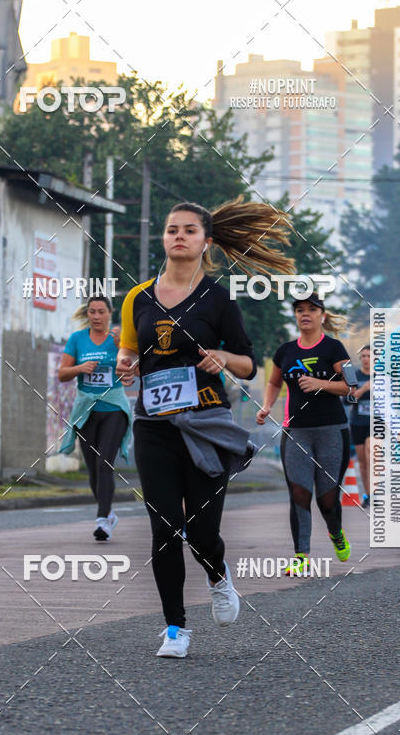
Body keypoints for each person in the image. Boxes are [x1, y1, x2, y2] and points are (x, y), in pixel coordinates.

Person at [116, 198, 293, 658]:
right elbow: (130, 352)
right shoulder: (138, 297)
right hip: (154, 424)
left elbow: (249, 363)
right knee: (164, 527)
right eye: (172, 229)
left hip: (207, 424)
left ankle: (218, 576)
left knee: (200, 531)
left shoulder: (217, 298)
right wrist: (126, 366)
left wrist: (223, 359)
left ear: (205, 242)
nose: (179, 236)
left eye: (189, 230)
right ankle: (175, 628)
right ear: (164, 237)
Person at [257, 294, 353, 575]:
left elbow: (351, 385)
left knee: (326, 498)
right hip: (296, 431)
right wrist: (266, 406)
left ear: (322, 315)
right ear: (295, 316)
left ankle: (336, 532)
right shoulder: (285, 351)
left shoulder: (334, 347)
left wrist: (321, 383)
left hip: (331, 431)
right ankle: (302, 556)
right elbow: (274, 383)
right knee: (299, 493)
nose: (305, 314)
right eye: (300, 310)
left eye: (312, 309)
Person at [58, 295, 131, 541]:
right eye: (92, 312)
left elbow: (137, 368)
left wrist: (125, 348)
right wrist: (80, 368)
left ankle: (102, 521)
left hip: (114, 407)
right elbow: (62, 374)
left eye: (101, 312)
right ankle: (108, 513)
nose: (96, 317)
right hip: (86, 409)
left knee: (104, 464)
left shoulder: (119, 339)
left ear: (110, 313)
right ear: (87, 314)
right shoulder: (77, 340)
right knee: (92, 469)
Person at [348, 344, 372, 507]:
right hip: (358, 423)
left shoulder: (383, 376)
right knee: (363, 462)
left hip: (377, 423)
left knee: (372, 457)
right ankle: (368, 494)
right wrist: (363, 389)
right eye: (363, 356)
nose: (366, 359)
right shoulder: (354, 376)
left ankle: (377, 492)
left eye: (369, 356)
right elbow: (348, 399)